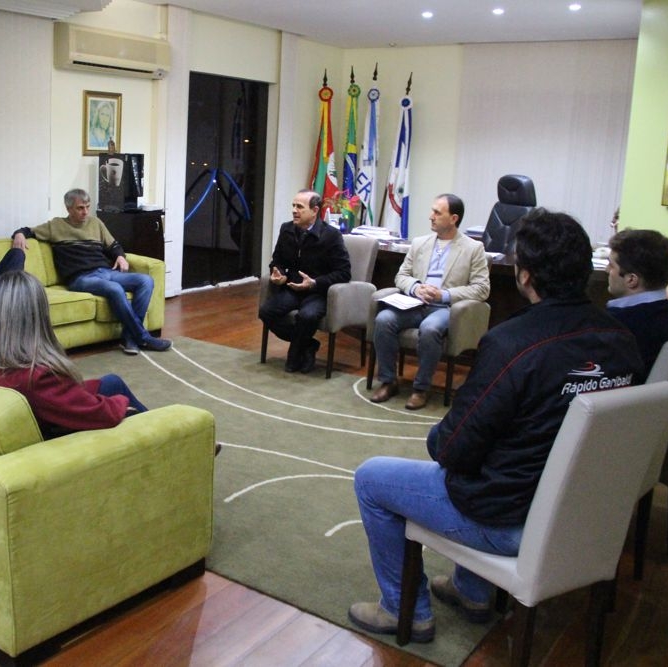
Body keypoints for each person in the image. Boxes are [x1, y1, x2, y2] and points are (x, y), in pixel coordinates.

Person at [349, 209, 642, 643]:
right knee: (504, 449)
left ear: (524, 276)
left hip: (510, 520)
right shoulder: (624, 342)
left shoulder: (513, 344)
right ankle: (471, 589)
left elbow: (451, 450)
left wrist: (441, 437)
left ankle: (404, 608)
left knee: (373, 478)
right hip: (583, 515)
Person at [0, 270, 147, 440]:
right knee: (128, 405)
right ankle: (164, 431)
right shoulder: (36, 376)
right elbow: (96, 413)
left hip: (34, 412)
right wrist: (122, 406)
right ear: (36, 316)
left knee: (112, 383)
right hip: (52, 430)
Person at [11, 188, 171, 354]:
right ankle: (143, 338)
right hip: (80, 278)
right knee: (115, 289)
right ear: (68, 209)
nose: (85, 212)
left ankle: (129, 337)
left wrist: (121, 256)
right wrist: (19, 235)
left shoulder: (96, 223)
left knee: (146, 281)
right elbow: (27, 230)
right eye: (80, 208)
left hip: (106, 272)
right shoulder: (56, 226)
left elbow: (113, 245)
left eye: (87, 206)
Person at [370, 194, 490, 409]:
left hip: (446, 308)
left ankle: (421, 388)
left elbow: (482, 289)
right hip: (415, 303)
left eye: (437, 213)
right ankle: (389, 381)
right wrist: (416, 287)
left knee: (430, 328)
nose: (430, 216)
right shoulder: (419, 243)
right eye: (432, 211)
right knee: (384, 319)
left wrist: (443, 294)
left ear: (453, 218)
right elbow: (401, 276)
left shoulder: (473, 248)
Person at [258, 189, 351, 373]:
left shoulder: (331, 235)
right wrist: (279, 274)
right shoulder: (287, 229)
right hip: (292, 288)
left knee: (307, 316)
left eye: (299, 207)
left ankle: (295, 354)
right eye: (293, 206)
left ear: (315, 211)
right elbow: (277, 260)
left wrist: (315, 283)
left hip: (317, 292)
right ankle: (308, 345)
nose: (294, 210)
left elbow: (344, 273)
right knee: (266, 312)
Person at [605, 229, 668, 373]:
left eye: (611, 265)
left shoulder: (617, 326)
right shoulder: (665, 312)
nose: (607, 270)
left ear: (631, 279)